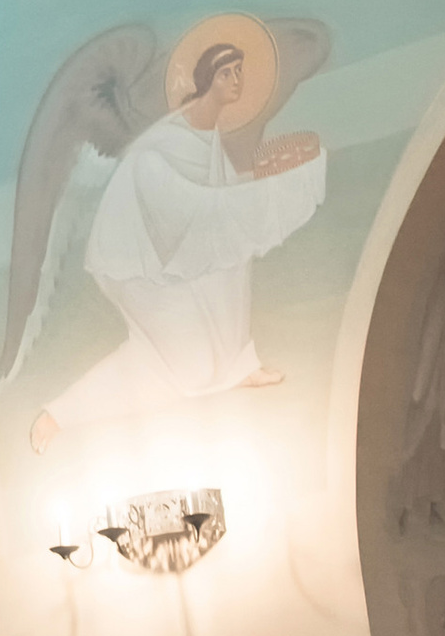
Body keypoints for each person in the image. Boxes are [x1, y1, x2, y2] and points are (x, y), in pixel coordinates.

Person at [32, 36, 325, 443]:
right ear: (208, 81)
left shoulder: (208, 136)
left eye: (240, 71)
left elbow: (215, 200)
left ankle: (238, 367)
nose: (237, 80)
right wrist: (261, 195)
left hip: (174, 248)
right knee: (180, 366)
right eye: (228, 73)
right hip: (139, 265)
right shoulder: (161, 148)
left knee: (230, 261)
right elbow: (191, 207)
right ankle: (57, 417)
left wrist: (253, 188)